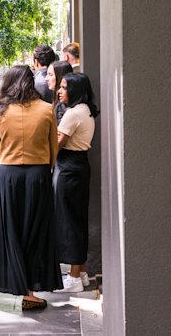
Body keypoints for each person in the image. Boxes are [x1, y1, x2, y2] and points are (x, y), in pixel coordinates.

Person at [0, 66, 61, 310]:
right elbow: (53, 149)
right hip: (38, 175)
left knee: (2, 232)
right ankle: (29, 293)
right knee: (34, 232)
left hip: (8, 174)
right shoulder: (47, 109)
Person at [53, 73, 98, 293]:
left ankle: (73, 278)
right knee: (78, 219)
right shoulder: (87, 110)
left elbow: (56, 145)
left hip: (69, 169)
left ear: (75, 90)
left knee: (69, 221)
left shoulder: (73, 113)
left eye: (63, 87)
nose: (59, 91)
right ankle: (81, 272)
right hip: (80, 166)